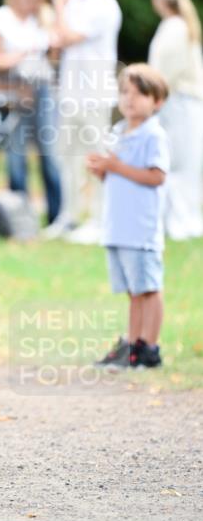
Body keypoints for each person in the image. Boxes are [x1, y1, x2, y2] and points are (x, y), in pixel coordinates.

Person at [88, 65, 169, 369]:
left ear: (157, 101)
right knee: (133, 291)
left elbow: (156, 176)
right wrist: (102, 170)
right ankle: (132, 343)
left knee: (148, 287)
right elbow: (116, 176)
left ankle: (150, 345)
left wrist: (117, 167)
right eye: (125, 93)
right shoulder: (118, 131)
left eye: (139, 94)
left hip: (141, 228)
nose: (130, 100)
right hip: (118, 225)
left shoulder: (154, 135)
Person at [45, 0, 122, 243]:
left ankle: (100, 219)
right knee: (68, 157)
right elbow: (55, 42)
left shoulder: (103, 3)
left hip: (96, 93)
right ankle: (69, 216)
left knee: (97, 155)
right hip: (70, 91)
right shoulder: (74, 3)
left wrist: (58, 4)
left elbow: (67, 36)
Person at [0, 0, 61, 224]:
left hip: (43, 89)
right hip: (14, 91)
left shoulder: (42, 19)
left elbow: (53, 58)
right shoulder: (1, 19)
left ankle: (56, 216)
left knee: (49, 153)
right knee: (16, 156)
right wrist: (23, 53)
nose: (35, 2)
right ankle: (22, 217)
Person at [148, 0, 203, 240]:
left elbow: (163, 73)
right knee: (182, 163)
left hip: (179, 104)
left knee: (179, 164)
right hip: (183, 104)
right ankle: (179, 218)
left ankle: (181, 221)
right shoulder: (180, 25)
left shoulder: (174, 28)